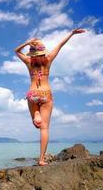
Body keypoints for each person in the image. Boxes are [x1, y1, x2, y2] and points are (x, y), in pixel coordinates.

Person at [14, 28, 86, 166]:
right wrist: (71, 33)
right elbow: (60, 44)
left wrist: (27, 42)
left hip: (32, 94)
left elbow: (16, 51)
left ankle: (36, 112)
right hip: (46, 94)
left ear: (32, 51)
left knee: (36, 124)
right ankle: (41, 159)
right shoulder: (48, 60)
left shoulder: (29, 62)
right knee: (44, 128)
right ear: (43, 51)